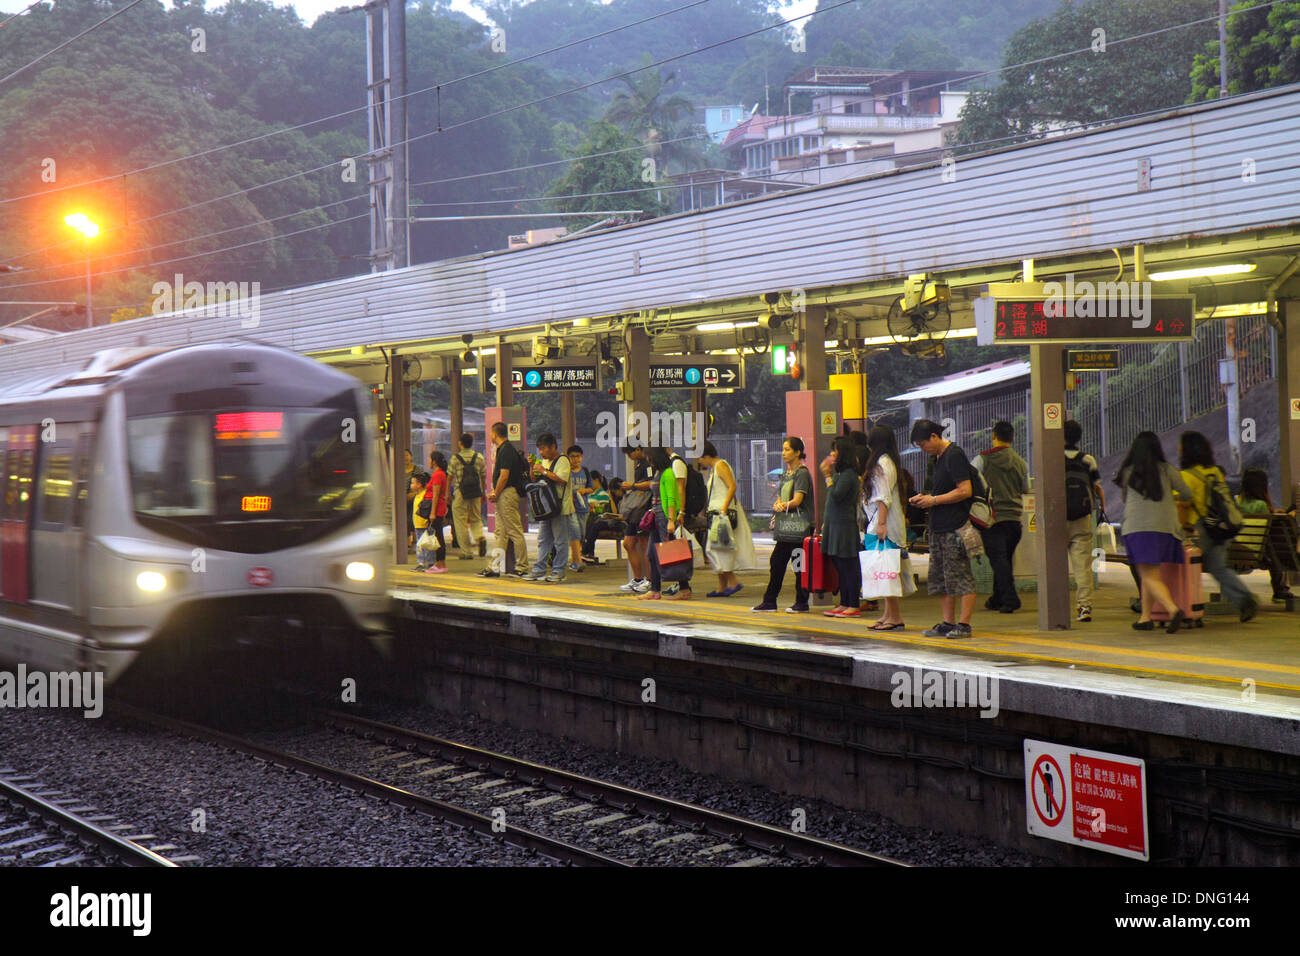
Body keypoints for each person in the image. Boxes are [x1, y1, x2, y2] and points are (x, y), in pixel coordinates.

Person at [1115, 431, 1193, 632]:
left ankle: (1173, 609)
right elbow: (1187, 493)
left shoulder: (1128, 471)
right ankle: (1145, 618)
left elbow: (1125, 499)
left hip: (1138, 528)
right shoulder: (1167, 470)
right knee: (1151, 572)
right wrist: (1171, 499)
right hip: (1166, 528)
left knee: (1148, 575)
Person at [1177, 431, 1258, 622]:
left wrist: (1182, 526)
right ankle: (1244, 598)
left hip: (1198, 529)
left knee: (1178, 565)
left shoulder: (1186, 476)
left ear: (1187, 450)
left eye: (1181, 446)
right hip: (1220, 528)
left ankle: (1173, 605)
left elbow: (1182, 504)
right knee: (1218, 567)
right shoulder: (1214, 472)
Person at [909, 419, 976, 638]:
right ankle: (948, 622)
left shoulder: (954, 455)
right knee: (941, 578)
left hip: (955, 525)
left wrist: (934, 500)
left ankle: (964, 624)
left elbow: (965, 490)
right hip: (939, 526)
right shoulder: (936, 459)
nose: (922, 449)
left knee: (960, 576)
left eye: (923, 444)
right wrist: (925, 499)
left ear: (935, 437)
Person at [752, 437, 814, 613]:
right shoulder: (786, 474)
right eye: (783, 449)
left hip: (800, 527)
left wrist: (784, 506)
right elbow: (782, 496)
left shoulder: (802, 473)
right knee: (777, 561)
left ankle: (801, 602)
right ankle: (770, 601)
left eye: (787, 449)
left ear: (797, 452)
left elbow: (798, 499)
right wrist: (778, 505)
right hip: (787, 526)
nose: (783, 453)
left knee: (798, 564)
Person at [973, 421, 1028, 616]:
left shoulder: (982, 460)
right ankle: (996, 598)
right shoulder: (1021, 462)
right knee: (1003, 560)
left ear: (994, 436)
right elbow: (1025, 488)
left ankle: (1010, 599)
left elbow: (969, 481)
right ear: (1012, 438)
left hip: (992, 519)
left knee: (998, 560)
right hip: (1014, 520)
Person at [1057, 419, 1105, 622]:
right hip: (1082, 518)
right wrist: (1100, 510)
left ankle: (1055, 606)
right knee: (1082, 566)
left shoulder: (1052, 458)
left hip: (1056, 517)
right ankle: (1084, 607)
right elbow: (1097, 488)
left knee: (1053, 564)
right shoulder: (1088, 460)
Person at [863, 425, 908, 630]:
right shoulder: (888, 462)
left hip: (883, 525)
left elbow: (883, 498)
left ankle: (895, 617)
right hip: (880, 523)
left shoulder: (882, 463)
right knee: (884, 570)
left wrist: (881, 524)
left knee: (887, 570)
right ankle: (888, 613)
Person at [697, 441, 756, 597]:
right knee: (718, 548)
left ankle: (733, 581)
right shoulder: (714, 469)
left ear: (706, 455)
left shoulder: (720, 466)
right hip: (717, 513)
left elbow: (732, 486)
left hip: (721, 514)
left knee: (714, 548)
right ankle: (722, 586)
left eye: (699, 457)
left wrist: (724, 507)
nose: (698, 461)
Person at [641, 446, 692, 601]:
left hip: (664, 516)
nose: (647, 459)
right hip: (656, 516)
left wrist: (671, 519)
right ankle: (655, 589)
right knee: (652, 553)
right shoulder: (658, 472)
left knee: (673, 553)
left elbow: (671, 498)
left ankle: (684, 588)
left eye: (649, 456)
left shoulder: (668, 473)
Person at [820, 437, 863, 617]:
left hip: (844, 526)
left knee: (848, 566)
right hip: (834, 524)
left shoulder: (848, 475)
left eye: (835, 450)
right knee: (839, 564)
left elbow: (836, 496)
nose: (831, 455)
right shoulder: (840, 474)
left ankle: (853, 603)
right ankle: (844, 602)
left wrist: (828, 477)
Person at [521, 433, 573, 583]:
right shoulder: (544, 461)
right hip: (546, 507)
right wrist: (532, 467)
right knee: (543, 540)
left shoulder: (563, 460)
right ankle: (539, 570)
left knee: (560, 541)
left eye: (544, 449)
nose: (542, 452)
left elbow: (562, 479)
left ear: (553, 447)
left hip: (560, 507)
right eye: (540, 449)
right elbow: (533, 479)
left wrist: (543, 471)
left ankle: (559, 571)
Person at [1238, 468, 1294, 601]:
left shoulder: (1238, 503)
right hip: (1258, 553)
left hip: (1239, 550)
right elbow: (1269, 531)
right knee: (1277, 551)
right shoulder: (1261, 505)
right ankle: (1280, 591)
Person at [480, 421, 527, 578]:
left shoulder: (506, 450)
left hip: (506, 494)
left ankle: (522, 566)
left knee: (514, 531)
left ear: (494, 434)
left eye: (490, 434)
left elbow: (504, 475)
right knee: (500, 533)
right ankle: (494, 567)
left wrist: (495, 492)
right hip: (503, 494)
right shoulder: (503, 449)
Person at [619, 445, 655, 593]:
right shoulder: (639, 464)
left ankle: (650, 580)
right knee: (628, 543)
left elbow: (651, 484)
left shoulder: (648, 462)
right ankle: (638, 579)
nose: (629, 456)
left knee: (645, 544)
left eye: (630, 452)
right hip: (635, 510)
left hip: (644, 508)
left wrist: (633, 485)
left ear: (638, 449)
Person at [447, 433, 487, 561]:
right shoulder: (479, 457)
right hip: (476, 492)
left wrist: (447, 493)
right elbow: (483, 476)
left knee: (460, 521)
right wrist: (483, 493)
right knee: (476, 518)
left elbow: (449, 477)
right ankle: (479, 537)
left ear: (460, 443)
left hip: (460, 493)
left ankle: (467, 552)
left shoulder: (455, 459)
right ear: (472, 443)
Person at [581, 476, 626, 563]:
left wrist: (611, 499)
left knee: (596, 526)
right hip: (613, 521)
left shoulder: (625, 498)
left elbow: (616, 512)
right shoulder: (616, 497)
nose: (615, 494)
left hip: (621, 523)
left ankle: (586, 553)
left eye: (615, 491)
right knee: (591, 525)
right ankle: (588, 553)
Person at [423, 452, 450, 573]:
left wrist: (432, 512)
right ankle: (439, 563)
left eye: (429, 459)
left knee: (438, 536)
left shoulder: (437, 475)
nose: (428, 462)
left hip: (436, 508)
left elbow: (436, 495)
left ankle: (440, 564)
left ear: (434, 461)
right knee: (438, 535)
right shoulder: (440, 474)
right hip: (439, 508)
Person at [566, 445, 590, 573]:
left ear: (582, 457)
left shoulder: (585, 471)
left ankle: (573, 559)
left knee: (581, 535)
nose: (575, 459)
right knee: (574, 533)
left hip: (583, 507)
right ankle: (578, 561)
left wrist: (584, 490)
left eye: (578, 456)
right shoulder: (566, 472)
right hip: (571, 508)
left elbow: (591, 487)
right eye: (572, 456)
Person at [410, 470, 434, 570]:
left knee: (426, 544)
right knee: (420, 544)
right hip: (418, 525)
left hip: (424, 525)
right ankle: (421, 562)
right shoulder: (417, 495)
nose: (411, 485)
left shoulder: (425, 494)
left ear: (419, 485)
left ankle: (428, 562)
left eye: (412, 483)